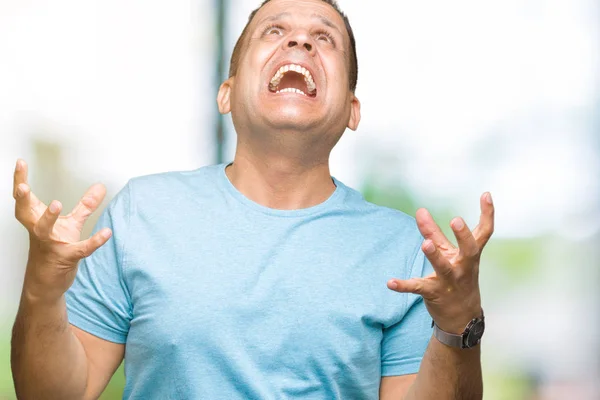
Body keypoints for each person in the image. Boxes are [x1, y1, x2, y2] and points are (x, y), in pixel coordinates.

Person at [10, 0, 494, 398]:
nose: (300, 41)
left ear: (351, 109)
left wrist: (458, 324)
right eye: (274, 30)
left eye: (324, 38)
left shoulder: (404, 250)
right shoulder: (143, 211)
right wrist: (41, 290)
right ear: (227, 93)